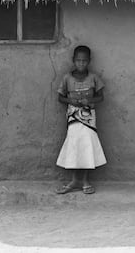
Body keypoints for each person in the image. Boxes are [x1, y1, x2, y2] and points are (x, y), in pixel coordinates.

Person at [55, 45, 106, 194]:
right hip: (73, 116)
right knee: (74, 146)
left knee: (86, 146)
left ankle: (84, 180)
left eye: (84, 61)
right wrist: (71, 101)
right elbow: (60, 97)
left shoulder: (94, 78)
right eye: (78, 60)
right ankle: (74, 180)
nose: (81, 64)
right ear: (73, 61)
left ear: (89, 61)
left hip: (89, 117)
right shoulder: (67, 78)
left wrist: (89, 100)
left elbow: (101, 97)